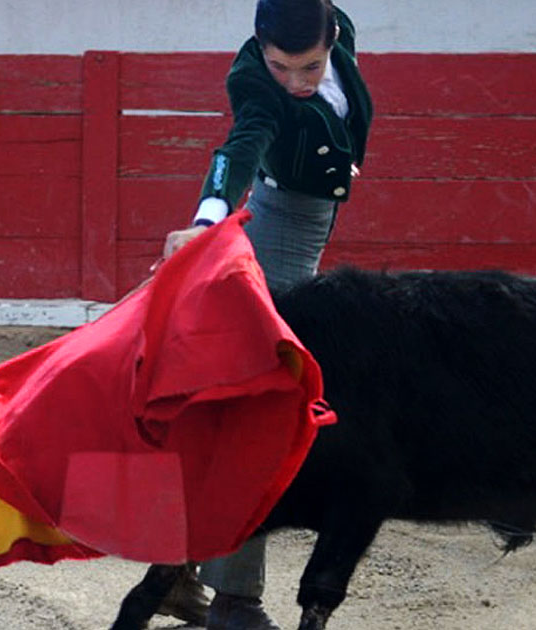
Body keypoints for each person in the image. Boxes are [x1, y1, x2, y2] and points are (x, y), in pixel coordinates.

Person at [156, 2, 373, 629]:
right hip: (277, 240)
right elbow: (239, 148)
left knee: (256, 404)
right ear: (260, 47)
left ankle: (178, 572)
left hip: (306, 236)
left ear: (331, 35)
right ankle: (234, 601)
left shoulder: (339, 27)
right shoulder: (254, 84)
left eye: (310, 67)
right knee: (264, 409)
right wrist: (206, 219)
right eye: (282, 67)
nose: (296, 83)